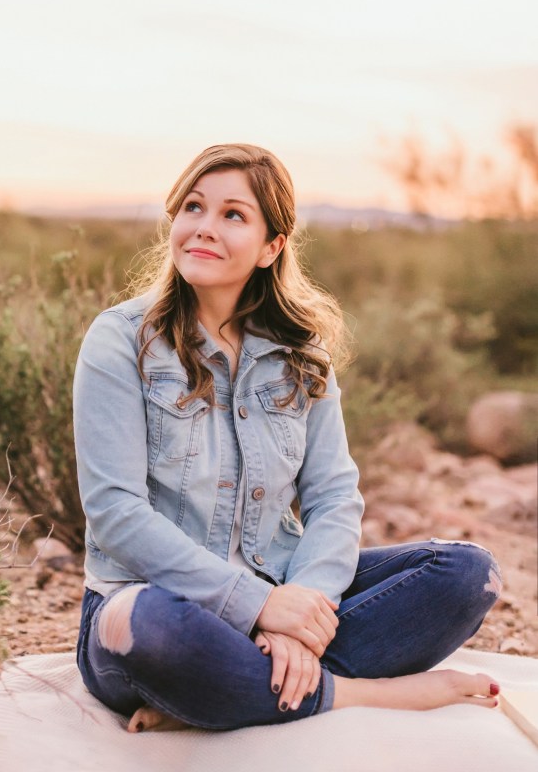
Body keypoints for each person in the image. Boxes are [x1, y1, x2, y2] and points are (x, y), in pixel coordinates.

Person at [73, 143, 502, 732]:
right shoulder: (122, 339)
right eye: (193, 206)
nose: (204, 227)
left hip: (280, 585)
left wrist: (300, 611)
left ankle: (232, 692)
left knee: (465, 574)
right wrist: (259, 608)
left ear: (271, 247)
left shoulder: (302, 355)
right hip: (157, 602)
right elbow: (115, 512)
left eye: (233, 214)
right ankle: (355, 693)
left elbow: (333, 496)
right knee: (151, 629)